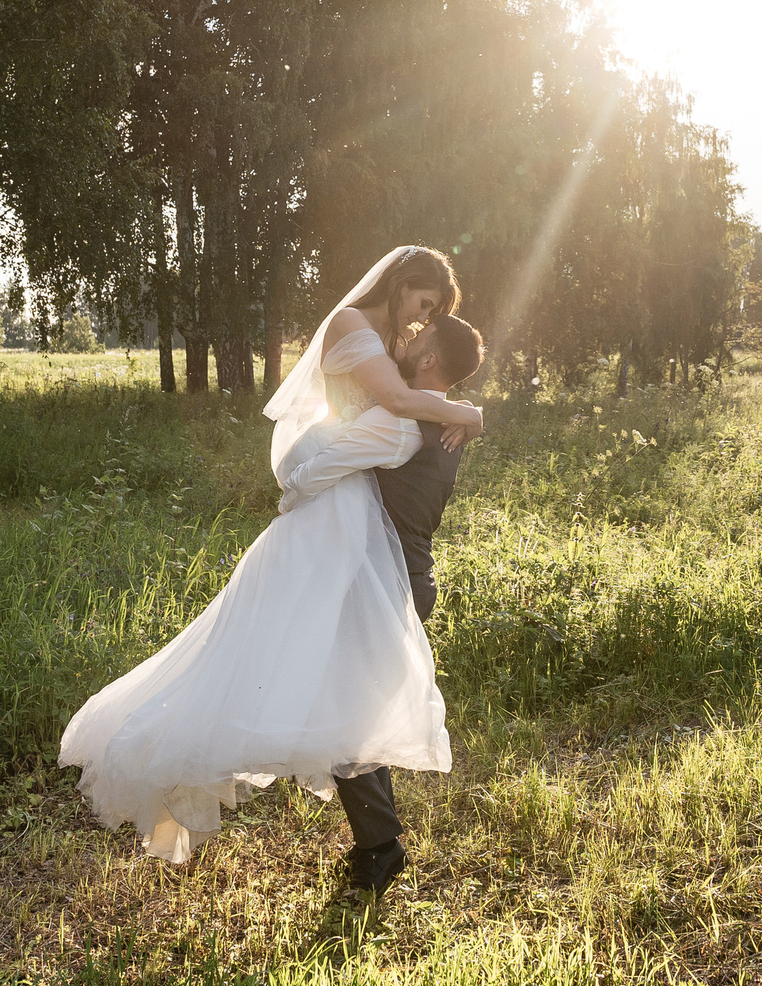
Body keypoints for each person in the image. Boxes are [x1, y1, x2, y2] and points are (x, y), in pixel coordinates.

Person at [57, 247, 484, 868]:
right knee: (313, 687)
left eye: (431, 320)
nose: (420, 324)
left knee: (322, 691)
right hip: (347, 543)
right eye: (423, 306)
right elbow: (390, 400)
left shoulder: (400, 402)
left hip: (353, 544)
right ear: (400, 284)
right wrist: (464, 408)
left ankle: (374, 845)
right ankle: (371, 844)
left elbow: (382, 416)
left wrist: (455, 410)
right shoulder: (361, 340)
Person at [274, 312, 485, 892]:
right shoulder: (438, 420)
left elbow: (322, 471)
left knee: (345, 717)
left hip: (387, 583)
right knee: (348, 711)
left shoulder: (406, 424)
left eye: (417, 338)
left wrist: (289, 497)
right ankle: (378, 845)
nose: (406, 337)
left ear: (427, 362)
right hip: (399, 580)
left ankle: (381, 849)